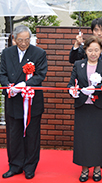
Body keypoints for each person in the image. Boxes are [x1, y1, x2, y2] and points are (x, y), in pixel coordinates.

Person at [0, 25, 47, 179]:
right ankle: (15, 165)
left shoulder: (39, 53)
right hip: (13, 101)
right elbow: (2, 73)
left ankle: (30, 166)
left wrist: (25, 85)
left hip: (32, 101)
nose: (24, 43)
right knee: (13, 135)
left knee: (32, 135)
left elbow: (40, 75)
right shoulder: (6, 53)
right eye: (21, 40)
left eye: (27, 39)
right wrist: (9, 87)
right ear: (14, 39)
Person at [67, 36, 102, 182]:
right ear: (85, 50)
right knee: (83, 140)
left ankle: (97, 169)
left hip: (98, 107)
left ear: (101, 51)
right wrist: (72, 91)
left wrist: (95, 90)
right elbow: (71, 83)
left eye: (96, 50)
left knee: (98, 139)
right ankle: (84, 169)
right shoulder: (78, 64)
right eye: (90, 50)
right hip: (82, 107)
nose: (93, 53)